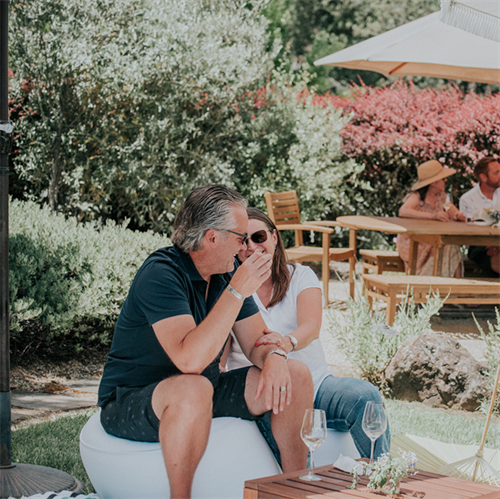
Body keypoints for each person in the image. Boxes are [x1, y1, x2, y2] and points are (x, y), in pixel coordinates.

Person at [97, 185, 314, 499]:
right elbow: (190, 361)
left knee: (295, 374)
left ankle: (293, 490)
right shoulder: (162, 274)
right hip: (133, 398)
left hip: (205, 388)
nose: (245, 248)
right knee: (193, 387)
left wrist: (276, 356)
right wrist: (236, 291)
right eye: (240, 238)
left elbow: (257, 342)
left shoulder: (226, 273)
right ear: (212, 237)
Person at [221, 207, 390, 462]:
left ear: (274, 237)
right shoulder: (231, 287)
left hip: (317, 385)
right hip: (269, 393)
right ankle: (303, 482)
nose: (252, 246)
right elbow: (221, 344)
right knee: (295, 449)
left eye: (259, 237)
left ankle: (383, 473)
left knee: (365, 396)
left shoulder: (300, 275)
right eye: (243, 240)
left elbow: (311, 325)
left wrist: (286, 343)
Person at [396, 160, 465, 277]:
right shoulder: (416, 197)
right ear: (433, 182)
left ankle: (455, 284)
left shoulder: (442, 197)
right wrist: (433, 216)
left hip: (433, 239)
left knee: (451, 245)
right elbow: (403, 211)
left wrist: (459, 216)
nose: (446, 180)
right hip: (415, 241)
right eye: (443, 178)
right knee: (445, 246)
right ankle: (429, 282)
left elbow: (453, 212)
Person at [459, 156, 500, 275]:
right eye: (496, 172)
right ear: (483, 177)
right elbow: (469, 232)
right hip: (479, 245)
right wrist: (492, 244)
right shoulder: (468, 199)